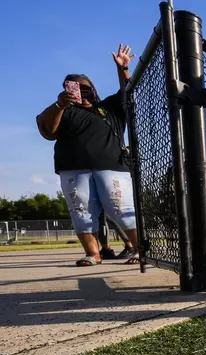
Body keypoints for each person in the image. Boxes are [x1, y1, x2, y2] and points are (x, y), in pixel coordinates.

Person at [36, 44, 139, 266]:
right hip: (73, 167)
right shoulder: (62, 111)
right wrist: (60, 105)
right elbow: (49, 132)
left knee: (122, 208)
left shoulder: (108, 107)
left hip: (111, 166)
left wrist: (122, 69)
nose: (80, 93)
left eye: (85, 88)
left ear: (93, 88)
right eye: (73, 88)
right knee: (81, 212)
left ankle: (140, 249)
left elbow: (127, 92)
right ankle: (93, 254)